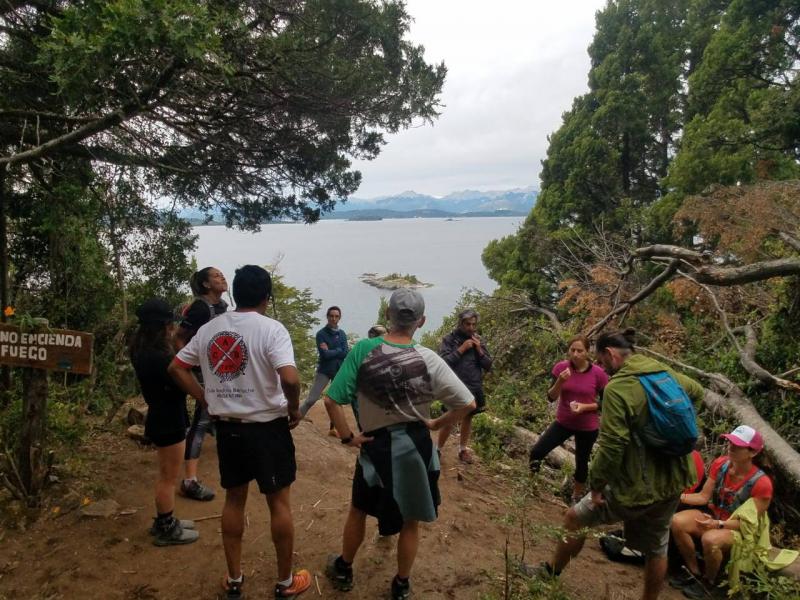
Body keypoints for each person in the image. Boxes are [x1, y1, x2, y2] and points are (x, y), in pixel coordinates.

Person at [527, 328, 705, 600]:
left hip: (637, 483)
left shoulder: (619, 388)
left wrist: (596, 487)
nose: (602, 367)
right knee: (657, 547)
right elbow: (697, 392)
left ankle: (550, 574)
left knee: (575, 517)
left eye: (601, 360)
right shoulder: (663, 373)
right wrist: (664, 428)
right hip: (675, 478)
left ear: (610, 354)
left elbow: (611, 447)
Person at [323, 288, 476, 600]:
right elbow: (467, 404)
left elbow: (331, 399)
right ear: (421, 321)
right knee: (411, 520)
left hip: (376, 445)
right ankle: (401, 584)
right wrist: (435, 424)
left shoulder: (364, 350)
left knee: (359, 509)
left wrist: (349, 437)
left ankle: (344, 568)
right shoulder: (428, 359)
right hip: (416, 447)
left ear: (387, 316)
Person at [168, 265, 311, 600]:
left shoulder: (211, 329)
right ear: (266, 295)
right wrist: (293, 409)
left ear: (235, 292)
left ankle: (234, 580)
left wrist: (205, 398)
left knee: (234, 500)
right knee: (279, 504)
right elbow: (290, 379)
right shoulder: (272, 330)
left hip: (228, 430)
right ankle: (285, 582)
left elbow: (176, 366)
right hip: (268, 429)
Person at [670, 425, 772, 599]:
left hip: (739, 530)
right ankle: (694, 572)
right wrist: (675, 496)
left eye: (738, 445)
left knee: (711, 539)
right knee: (677, 521)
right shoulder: (721, 464)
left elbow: (748, 524)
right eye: (730, 442)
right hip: (715, 517)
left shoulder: (762, 484)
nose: (731, 447)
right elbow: (703, 497)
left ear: (752, 453)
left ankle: (710, 583)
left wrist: (718, 524)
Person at [129, 298, 199, 547]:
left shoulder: (141, 348)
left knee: (166, 474)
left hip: (162, 413)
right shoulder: (159, 357)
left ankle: (165, 521)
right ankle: (166, 527)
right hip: (168, 418)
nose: (173, 328)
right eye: (170, 323)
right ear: (163, 326)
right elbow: (182, 378)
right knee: (168, 477)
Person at [174, 266, 230, 502]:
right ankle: (190, 480)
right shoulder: (199, 308)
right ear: (206, 284)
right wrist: (192, 366)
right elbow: (178, 338)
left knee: (213, 414)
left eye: (222, 274)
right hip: (203, 373)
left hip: (219, 371)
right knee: (202, 418)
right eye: (217, 276)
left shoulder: (223, 308)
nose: (222, 277)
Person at [529, 335, 608, 502]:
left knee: (581, 463)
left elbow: (606, 402)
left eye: (580, 350)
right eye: (572, 350)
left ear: (587, 352)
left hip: (587, 426)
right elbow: (551, 397)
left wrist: (585, 407)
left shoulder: (598, 374)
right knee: (537, 452)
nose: (576, 354)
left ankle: (575, 496)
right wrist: (560, 381)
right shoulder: (561, 368)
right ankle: (531, 485)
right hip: (563, 422)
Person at [436, 308, 492, 464]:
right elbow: (444, 362)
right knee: (449, 419)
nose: (471, 328)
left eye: (474, 324)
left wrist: (479, 349)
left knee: (468, 418)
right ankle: (438, 450)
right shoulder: (449, 339)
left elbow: (488, 365)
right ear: (460, 323)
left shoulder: (477, 339)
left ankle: (462, 450)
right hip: (454, 385)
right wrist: (462, 348)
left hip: (474, 386)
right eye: (468, 324)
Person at [299, 306, 349, 436]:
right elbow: (325, 355)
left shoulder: (342, 334)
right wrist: (338, 350)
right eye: (331, 316)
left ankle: (334, 429)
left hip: (338, 370)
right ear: (327, 317)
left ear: (339, 318)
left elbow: (345, 353)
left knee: (336, 401)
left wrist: (332, 351)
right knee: (312, 399)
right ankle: (296, 417)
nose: (334, 318)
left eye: (336, 316)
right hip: (325, 370)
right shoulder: (321, 334)